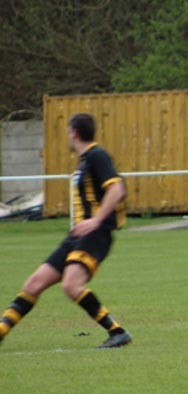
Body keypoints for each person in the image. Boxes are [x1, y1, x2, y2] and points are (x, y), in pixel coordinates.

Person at [0, 113, 132, 349]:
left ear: (74, 133)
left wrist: (96, 220)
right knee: (34, 284)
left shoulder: (97, 156)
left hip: (95, 234)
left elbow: (117, 189)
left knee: (72, 286)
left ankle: (117, 331)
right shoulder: (84, 162)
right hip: (77, 236)